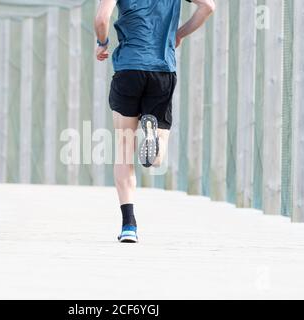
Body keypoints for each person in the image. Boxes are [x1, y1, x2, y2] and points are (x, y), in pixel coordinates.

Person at [94, 0, 215, 243]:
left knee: (124, 150)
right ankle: (152, 135)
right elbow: (208, 6)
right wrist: (178, 34)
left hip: (128, 69)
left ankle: (129, 225)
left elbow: (101, 19)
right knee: (155, 157)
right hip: (163, 70)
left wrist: (102, 43)